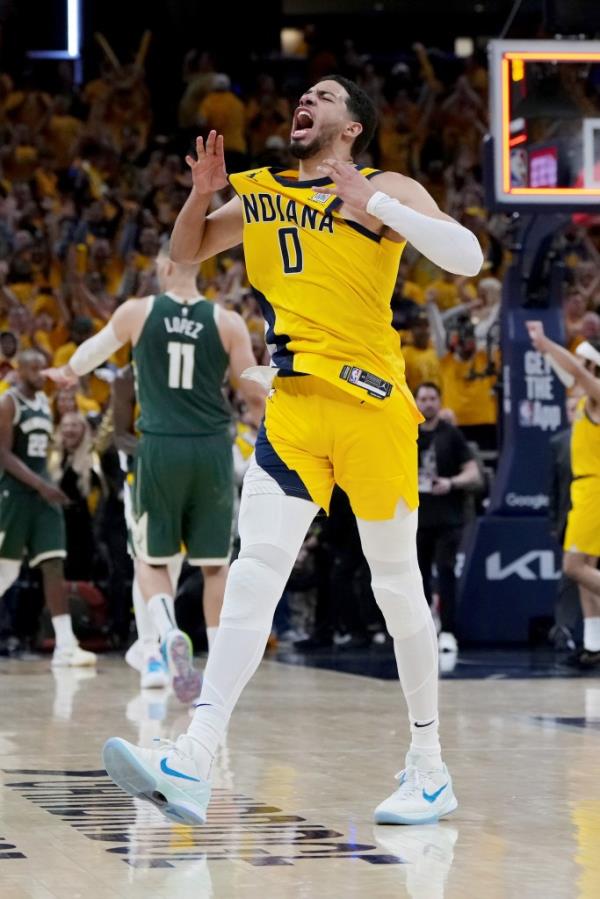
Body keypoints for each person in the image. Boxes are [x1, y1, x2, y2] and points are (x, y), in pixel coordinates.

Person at [102, 75, 483, 826]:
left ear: (353, 127)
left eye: (325, 95)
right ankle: (193, 754)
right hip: (295, 406)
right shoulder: (267, 193)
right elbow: (188, 252)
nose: (305, 102)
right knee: (254, 573)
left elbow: (467, 256)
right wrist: (201, 192)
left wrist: (376, 205)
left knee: (398, 588)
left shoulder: (383, 184)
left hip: (372, 408)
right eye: (303, 95)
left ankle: (429, 766)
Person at [44, 247, 265, 698]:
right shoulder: (227, 322)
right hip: (212, 449)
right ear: (199, 267)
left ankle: (165, 637)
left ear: (165, 267)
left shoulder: (138, 312)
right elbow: (252, 390)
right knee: (214, 566)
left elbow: (93, 351)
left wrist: (66, 372)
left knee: (150, 558)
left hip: (160, 446)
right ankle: (218, 677)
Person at [0, 350, 96, 666]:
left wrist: (46, 484)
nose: (41, 373)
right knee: (7, 570)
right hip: (14, 493)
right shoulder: (9, 402)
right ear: (19, 369)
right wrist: (40, 484)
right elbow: (3, 455)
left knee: (54, 563)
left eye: (43, 367)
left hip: (43, 495)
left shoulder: (44, 403)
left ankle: (66, 645)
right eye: (34, 368)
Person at [526, 322, 600, 668]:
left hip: (594, 488)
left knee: (573, 567)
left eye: (585, 364)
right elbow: (569, 373)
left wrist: (546, 342)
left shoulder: (598, 393)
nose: (578, 370)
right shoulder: (588, 397)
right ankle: (593, 644)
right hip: (585, 488)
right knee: (586, 569)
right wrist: (545, 351)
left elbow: (572, 370)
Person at [414, 382, 481, 653]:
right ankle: (424, 627)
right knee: (416, 575)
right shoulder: (408, 433)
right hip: (416, 517)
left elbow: (473, 472)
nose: (428, 403)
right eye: (423, 398)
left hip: (448, 518)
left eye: (432, 398)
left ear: (440, 402)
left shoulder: (451, 434)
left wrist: (451, 483)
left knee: (445, 570)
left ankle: (449, 631)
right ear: (416, 402)